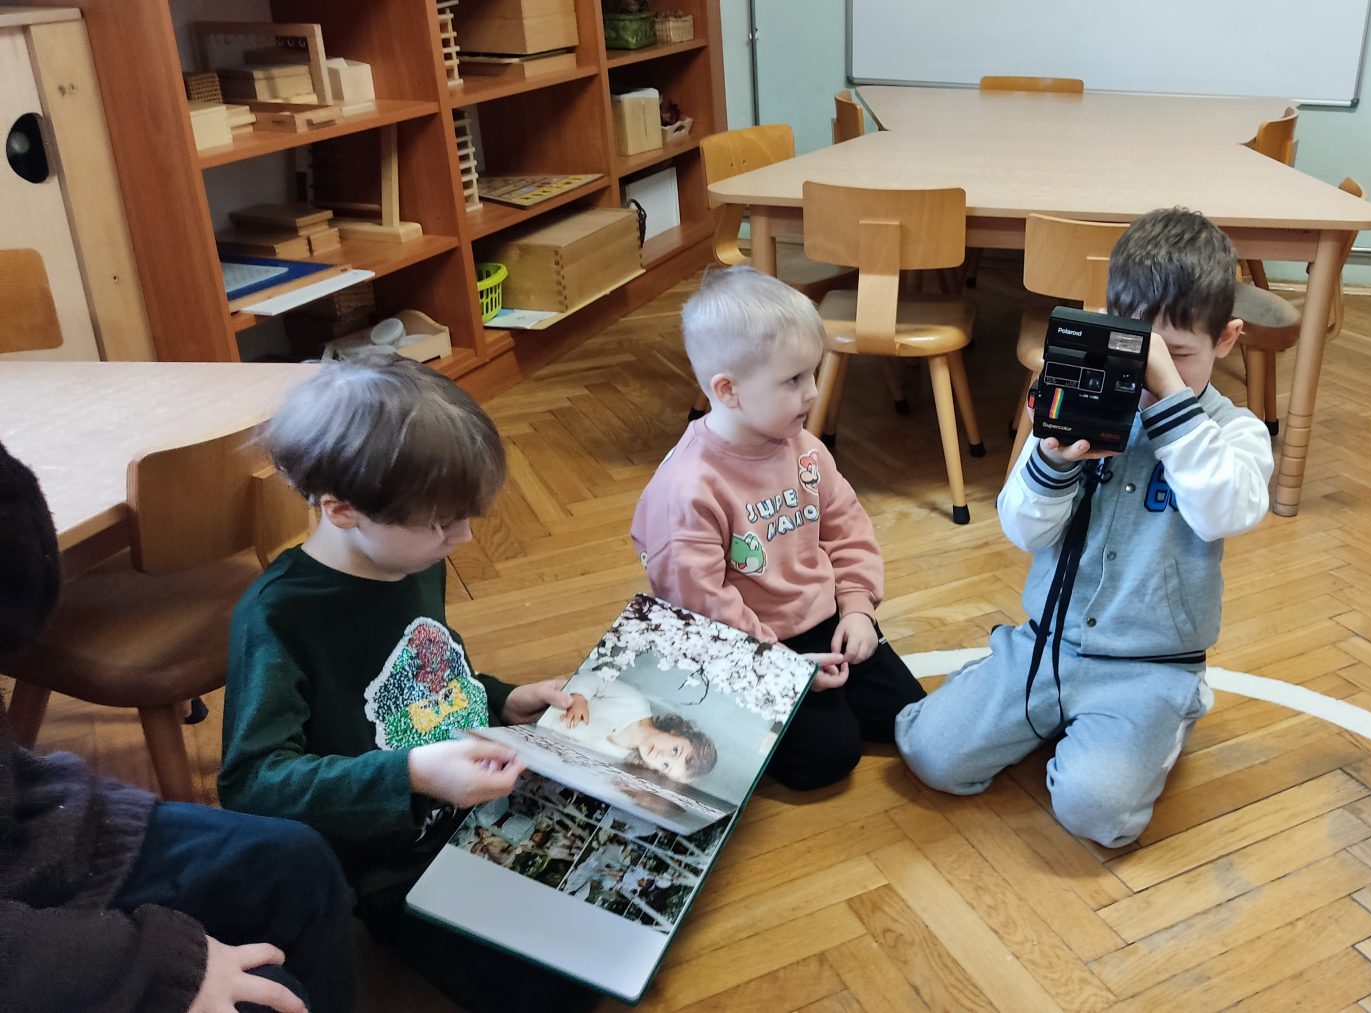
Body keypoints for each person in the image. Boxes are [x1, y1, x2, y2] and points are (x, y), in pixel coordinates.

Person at [216, 354, 594, 1012]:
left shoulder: (410, 556)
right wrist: (412, 773)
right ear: (341, 509)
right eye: (441, 522)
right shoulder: (277, 615)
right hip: (391, 863)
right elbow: (252, 783)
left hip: (480, 808)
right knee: (552, 994)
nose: (464, 536)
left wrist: (503, 696)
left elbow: (432, 675)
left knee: (607, 933)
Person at [895, 207, 1275, 847]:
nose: (1156, 379)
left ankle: (1169, 714)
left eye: (1178, 358)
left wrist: (1172, 407)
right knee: (930, 754)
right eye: (1145, 355)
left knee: (1099, 815)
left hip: (1151, 667)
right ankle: (1037, 709)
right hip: (1046, 644)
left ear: (1228, 339)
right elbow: (1022, 530)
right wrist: (1049, 464)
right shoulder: (1080, 405)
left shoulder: (1234, 433)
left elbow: (1223, 511)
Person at [0, 440, 355, 1013]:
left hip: (22, 823)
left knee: (294, 863)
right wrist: (155, 965)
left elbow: (20, 602)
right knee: (274, 997)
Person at [630, 266, 925, 791]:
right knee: (827, 761)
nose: (813, 393)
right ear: (729, 390)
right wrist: (780, 666)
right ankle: (713, 704)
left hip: (823, 618)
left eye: (814, 372)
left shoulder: (806, 449)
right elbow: (703, 607)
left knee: (912, 720)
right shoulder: (687, 489)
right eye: (793, 380)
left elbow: (847, 530)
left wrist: (857, 611)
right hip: (743, 644)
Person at [555, 679, 718, 783]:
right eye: (675, 750)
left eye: (666, 766)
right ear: (677, 732)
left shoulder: (614, 759)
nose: (661, 756)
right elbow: (597, 679)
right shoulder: (636, 704)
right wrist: (580, 698)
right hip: (555, 695)